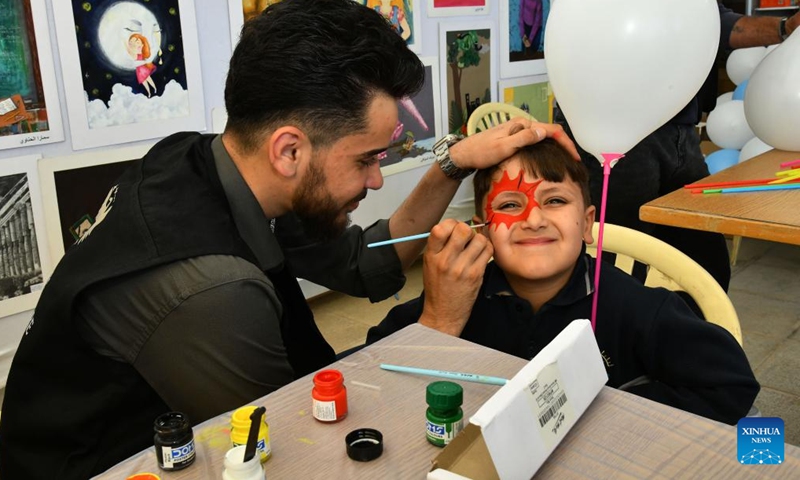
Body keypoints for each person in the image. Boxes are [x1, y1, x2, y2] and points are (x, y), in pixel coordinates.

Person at [0, 1, 576, 478]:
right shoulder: (208, 290)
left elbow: (360, 262)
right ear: (290, 150)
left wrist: (450, 164)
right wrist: (438, 325)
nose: (377, 179)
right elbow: (308, 447)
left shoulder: (215, 162)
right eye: (368, 159)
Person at [367, 139, 759, 425]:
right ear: (482, 231)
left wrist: (605, 411)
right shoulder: (458, 295)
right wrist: (439, 319)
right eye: (509, 205)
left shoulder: (638, 310)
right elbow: (371, 368)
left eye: (554, 201)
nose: (534, 220)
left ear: (587, 223)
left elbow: (732, 387)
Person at [555, 3, 800, 294]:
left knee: (705, 259)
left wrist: (785, 28)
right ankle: (603, 332)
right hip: (618, 128)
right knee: (619, 261)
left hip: (677, 127)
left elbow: (714, 23)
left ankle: (694, 329)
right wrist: (784, 28)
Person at [125, 33, 159, 98]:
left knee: (148, 79)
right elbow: (130, 52)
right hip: (139, 69)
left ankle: (154, 88)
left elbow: (141, 50)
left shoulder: (141, 48)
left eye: (137, 42)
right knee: (144, 82)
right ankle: (149, 93)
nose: (135, 44)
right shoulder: (133, 51)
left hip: (143, 68)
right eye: (131, 42)